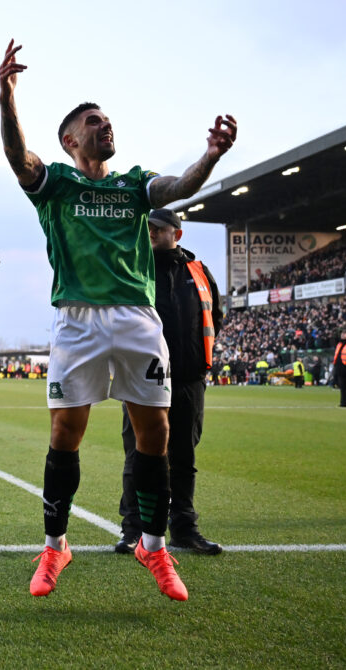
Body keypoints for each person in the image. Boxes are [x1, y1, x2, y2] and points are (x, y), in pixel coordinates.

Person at [0, 39, 237, 601]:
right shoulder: (56, 183)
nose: (105, 127)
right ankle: (56, 544)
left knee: (156, 432)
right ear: (70, 139)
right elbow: (17, 156)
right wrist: (7, 95)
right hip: (76, 320)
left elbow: (178, 188)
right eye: (93, 122)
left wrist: (211, 156)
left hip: (135, 318)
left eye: (107, 121)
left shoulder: (133, 183)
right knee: (65, 432)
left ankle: (152, 547)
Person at [116, 209, 223, 556]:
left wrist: (196, 364)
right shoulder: (133, 266)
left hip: (189, 378)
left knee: (183, 455)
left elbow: (213, 317)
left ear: (177, 233)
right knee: (138, 455)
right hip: (143, 378)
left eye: (158, 228)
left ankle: (184, 527)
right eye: (147, 227)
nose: (150, 232)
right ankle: (133, 529)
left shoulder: (199, 272)